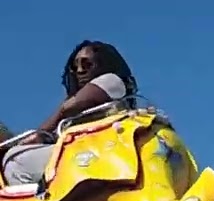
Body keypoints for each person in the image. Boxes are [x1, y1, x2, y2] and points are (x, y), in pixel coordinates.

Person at [2, 41, 138, 186]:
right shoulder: (78, 113)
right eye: (75, 67)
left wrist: (44, 130)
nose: (79, 70)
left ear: (104, 64)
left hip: (102, 149)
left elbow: (72, 106)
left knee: (17, 161)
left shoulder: (112, 81)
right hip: (84, 150)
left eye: (87, 64)